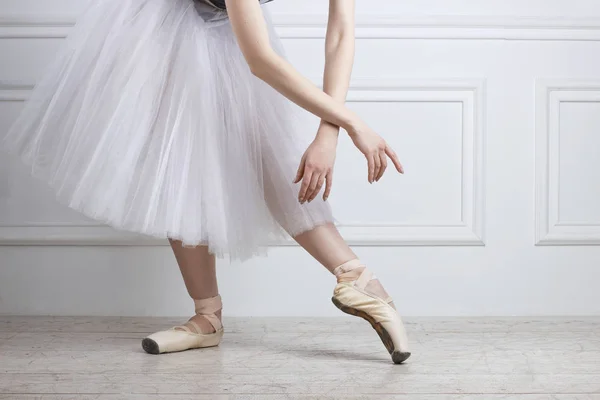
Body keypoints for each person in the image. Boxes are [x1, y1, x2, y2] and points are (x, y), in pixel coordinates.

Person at [2, 0, 410, 364]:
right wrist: (352, 121)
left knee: (270, 150)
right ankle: (207, 316)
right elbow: (261, 60)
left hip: (226, 22)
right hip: (162, 26)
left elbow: (340, 33)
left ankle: (357, 279)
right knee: (181, 155)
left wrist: (328, 134)